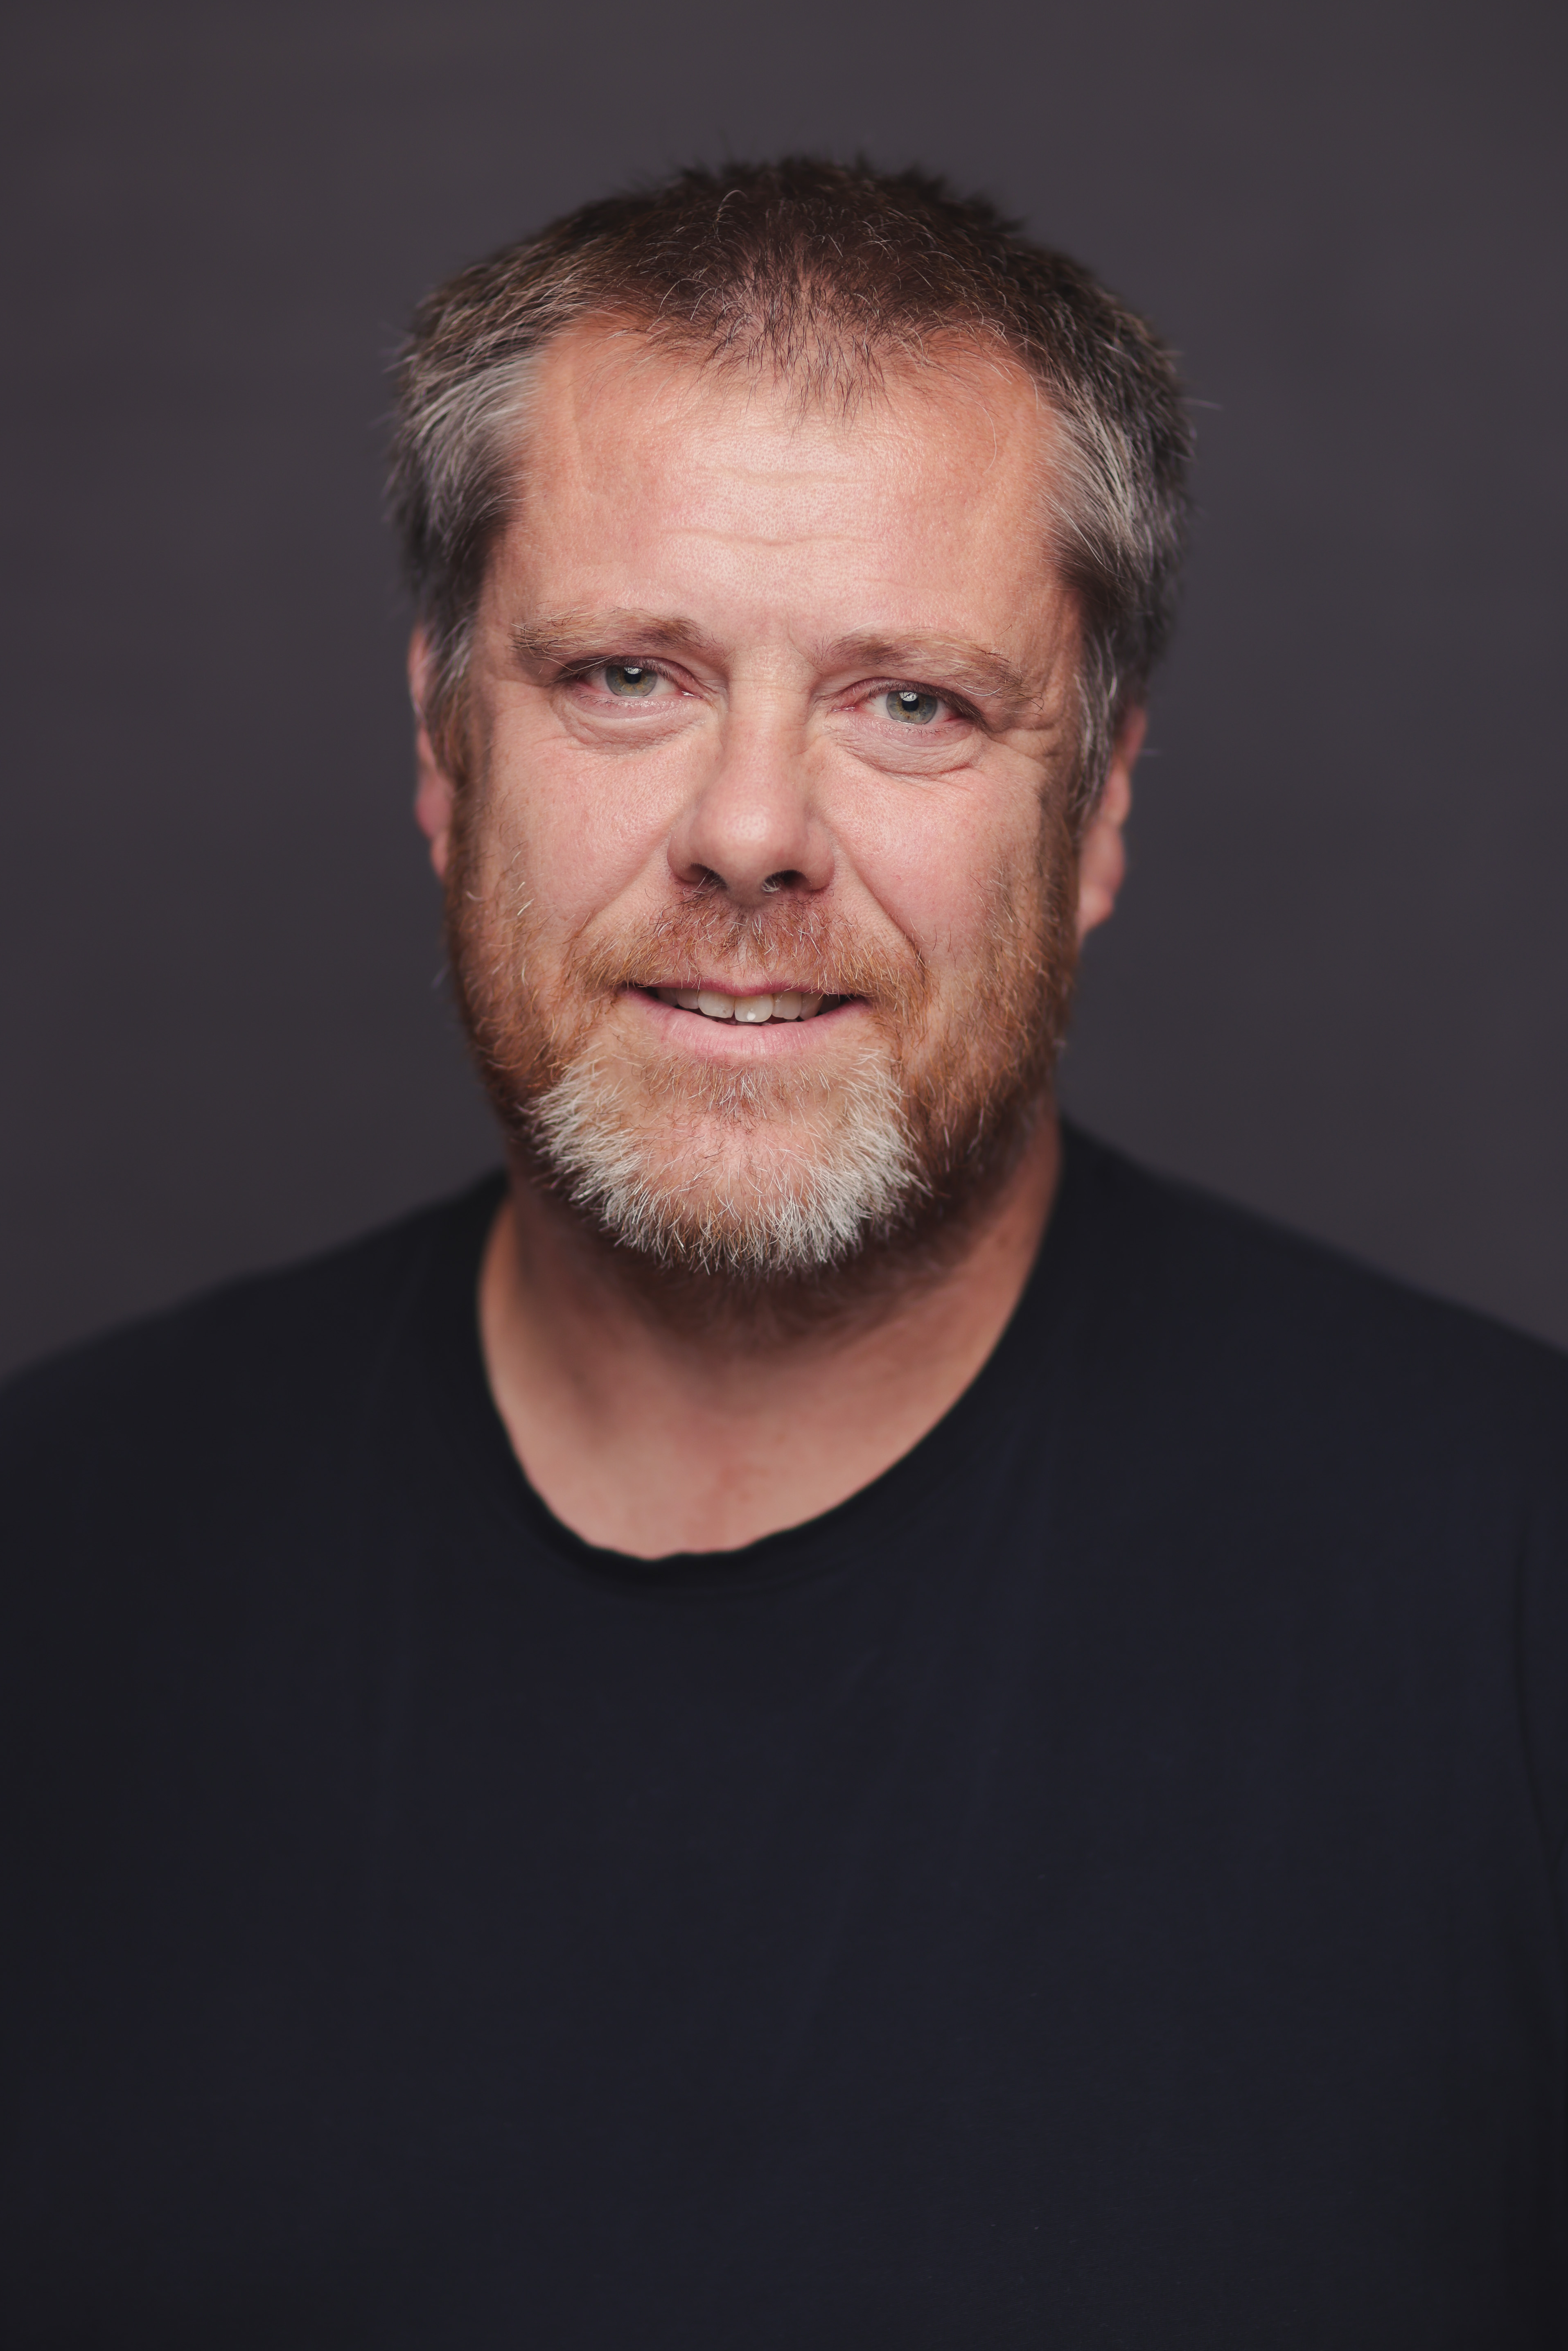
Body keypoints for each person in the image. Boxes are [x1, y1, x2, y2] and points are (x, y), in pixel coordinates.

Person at [2, 158, 1565, 2349]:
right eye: (627, 675)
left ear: (1099, 807)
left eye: (910, 702)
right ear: (445, 756)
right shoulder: (52, 1558)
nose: (749, 833)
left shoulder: (1513, 1591)